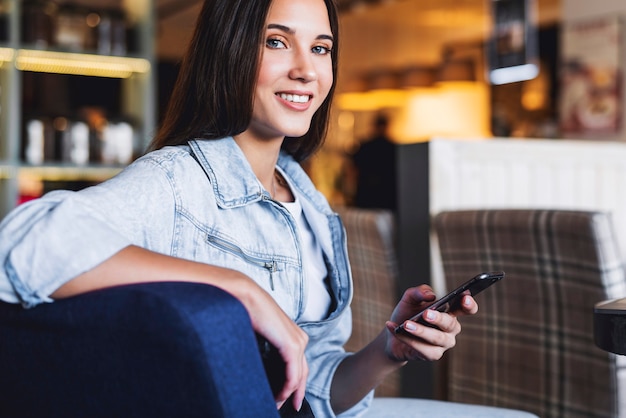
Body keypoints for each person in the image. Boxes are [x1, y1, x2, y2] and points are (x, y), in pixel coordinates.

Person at [0, 0, 478, 416]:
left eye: (320, 48)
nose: (306, 70)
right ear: (228, 49)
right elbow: (19, 248)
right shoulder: (176, 178)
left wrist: (389, 350)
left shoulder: (308, 203)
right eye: (276, 42)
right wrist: (238, 288)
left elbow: (310, 393)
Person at [352, 113, 397, 210]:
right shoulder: (393, 148)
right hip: (385, 196)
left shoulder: (365, 147)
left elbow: (354, 169)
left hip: (366, 195)